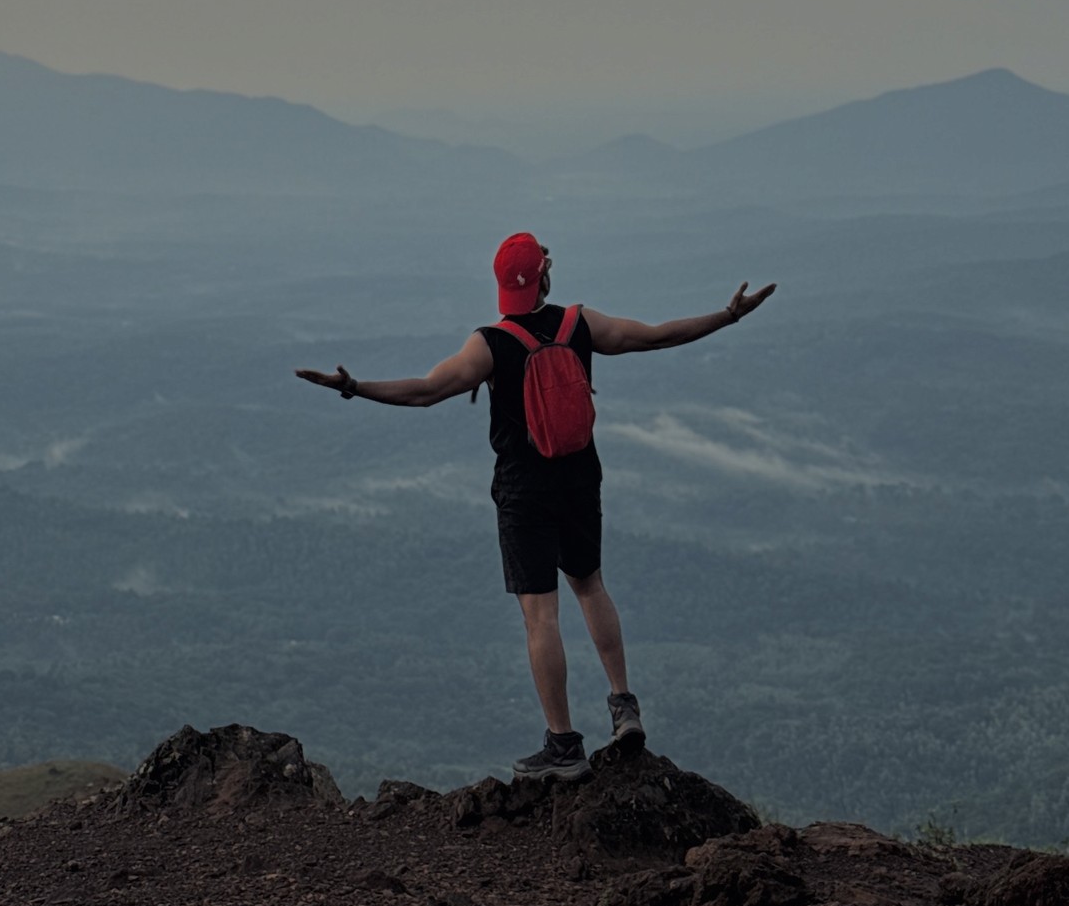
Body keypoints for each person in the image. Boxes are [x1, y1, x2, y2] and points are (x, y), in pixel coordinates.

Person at [296, 232, 776, 782]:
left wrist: (352, 385)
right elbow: (655, 337)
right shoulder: (579, 325)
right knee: (591, 584)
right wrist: (727, 316)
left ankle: (564, 746)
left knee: (540, 616)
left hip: (525, 491)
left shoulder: (490, 345)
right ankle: (624, 706)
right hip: (580, 477)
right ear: (544, 277)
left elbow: (426, 391)